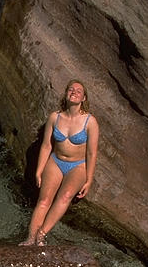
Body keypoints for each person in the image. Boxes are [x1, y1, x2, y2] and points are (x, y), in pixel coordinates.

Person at [20, 79, 99, 246]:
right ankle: (30, 239)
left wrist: (89, 180)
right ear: (66, 94)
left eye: (79, 91)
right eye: (71, 89)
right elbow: (46, 145)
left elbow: (91, 153)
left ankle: (41, 234)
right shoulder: (55, 117)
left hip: (78, 166)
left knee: (65, 196)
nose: (74, 92)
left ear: (84, 98)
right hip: (55, 161)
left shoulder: (90, 121)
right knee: (43, 201)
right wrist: (38, 170)